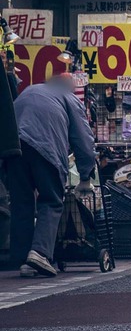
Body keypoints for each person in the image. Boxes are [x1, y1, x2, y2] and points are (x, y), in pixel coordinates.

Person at [8, 74, 96, 277]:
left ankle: (22, 258)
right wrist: (85, 176)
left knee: (22, 202)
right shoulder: (69, 98)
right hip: (45, 148)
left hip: (14, 149)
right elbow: (83, 139)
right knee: (52, 200)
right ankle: (40, 253)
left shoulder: (29, 90)